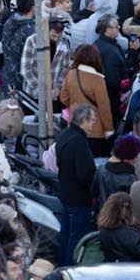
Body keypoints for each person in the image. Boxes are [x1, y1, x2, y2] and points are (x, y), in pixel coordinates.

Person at [54, 102, 97, 264]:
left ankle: (61, 266)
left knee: (65, 234)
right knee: (76, 238)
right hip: (78, 199)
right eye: (92, 120)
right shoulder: (79, 141)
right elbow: (85, 174)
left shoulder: (65, 135)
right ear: (83, 121)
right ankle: (70, 270)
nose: (93, 124)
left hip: (65, 194)